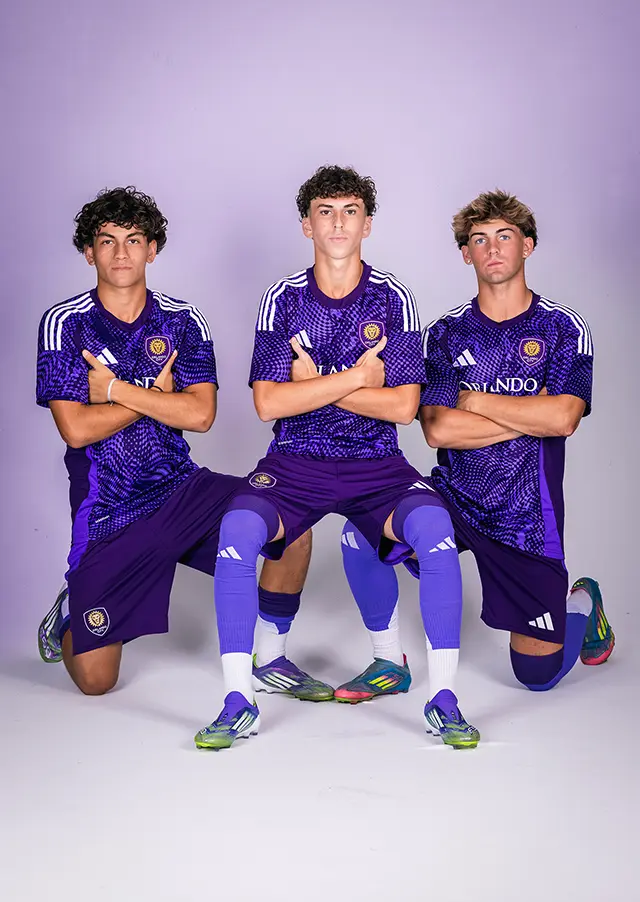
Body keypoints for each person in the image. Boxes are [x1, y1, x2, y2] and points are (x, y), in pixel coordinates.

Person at [194, 165, 479, 751]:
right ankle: (239, 699)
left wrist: (314, 384)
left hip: (377, 464)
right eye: (325, 212)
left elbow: (403, 407)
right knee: (238, 527)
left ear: (367, 224)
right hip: (295, 461)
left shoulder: (394, 298)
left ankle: (444, 698)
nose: (339, 223)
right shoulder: (283, 299)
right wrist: (354, 379)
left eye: (351, 211)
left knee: (435, 528)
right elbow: (269, 403)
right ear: (307, 225)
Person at [36, 186, 329, 700]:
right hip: (111, 510)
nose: (121, 253)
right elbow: (76, 429)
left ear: (152, 250)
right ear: (88, 252)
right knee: (96, 682)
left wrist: (114, 391)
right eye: (107, 241)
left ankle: (269, 657)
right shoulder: (65, 323)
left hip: (181, 490)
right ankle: (70, 613)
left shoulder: (182, 320)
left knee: (293, 521)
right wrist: (156, 396)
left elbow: (200, 415)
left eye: (134, 240)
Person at [340, 189, 614, 699]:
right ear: (466, 254)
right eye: (479, 239)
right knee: (360, 533)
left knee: (537, 676)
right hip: (454, 496)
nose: (492, 248)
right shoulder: (445, 334)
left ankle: (583, 603)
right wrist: (531, 415)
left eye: (504, 237)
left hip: (526, 519)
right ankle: (388, 661)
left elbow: (564, 418)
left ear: (527, 246)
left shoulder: (562, 328)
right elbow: (438, 430)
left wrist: (477, 400)